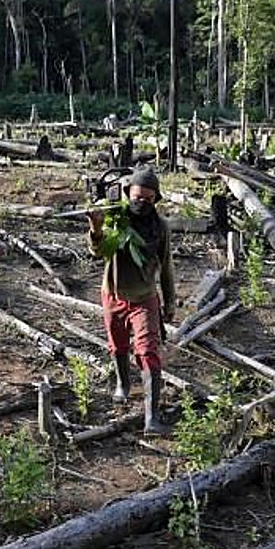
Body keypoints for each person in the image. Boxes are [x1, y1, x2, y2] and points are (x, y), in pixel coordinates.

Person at [86, 167, 176, 435]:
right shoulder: (115, 219)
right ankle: (123, 384)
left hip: (145, 298)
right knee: (118, 345)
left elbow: (167, 266)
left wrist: (170, 302)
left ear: (155, 200)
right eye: (137, 197)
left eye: (149, 199)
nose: (142, 203)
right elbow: (98, 251)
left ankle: (152, 418)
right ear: (128, 194)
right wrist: (95, 227)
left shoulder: (160, 228)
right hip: (113, 293)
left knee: (148, 352)